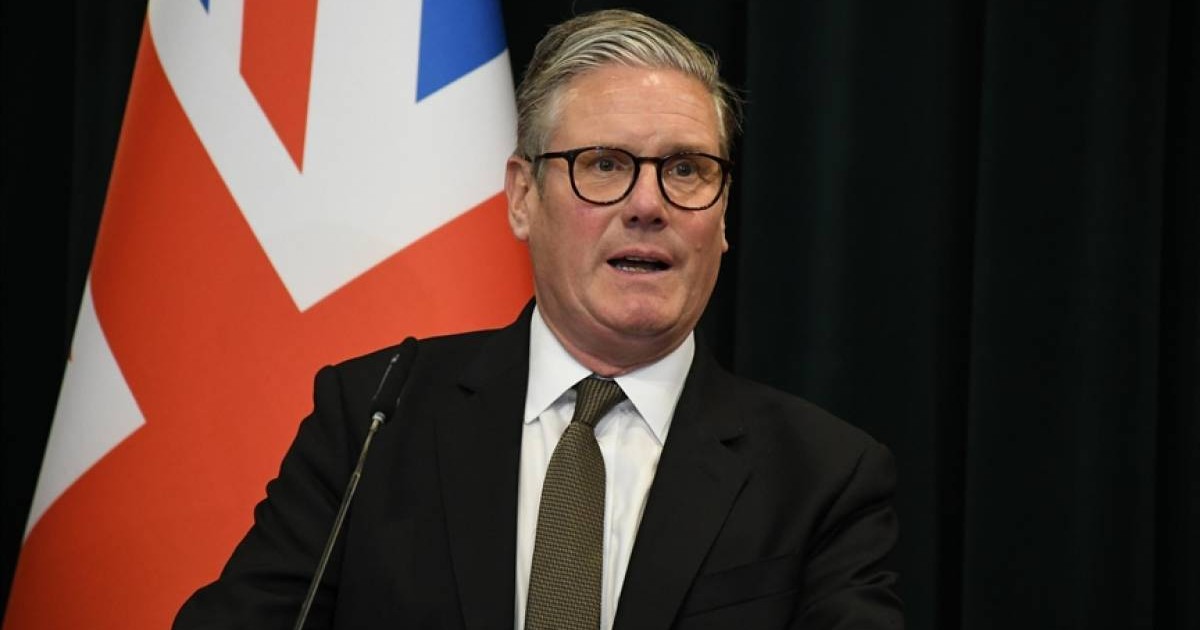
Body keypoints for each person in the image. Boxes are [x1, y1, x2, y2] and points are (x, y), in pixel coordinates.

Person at [174, 9, 902, 629]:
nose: (648, 205)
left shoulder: (823, 476)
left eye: (686, 170)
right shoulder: (373, 419)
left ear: (722, 214)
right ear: (523, 197)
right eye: (605, 164)